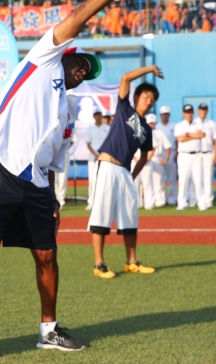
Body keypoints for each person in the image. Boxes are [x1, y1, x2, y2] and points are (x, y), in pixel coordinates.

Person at [0, 0, 152, 363]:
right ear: (66, 53)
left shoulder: (66, 108)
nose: (81, 71)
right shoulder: (42, 58)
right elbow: (78, 17)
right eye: (80, 63)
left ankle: (49, 330)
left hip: (37, 182)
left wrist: (55, 197)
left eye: (87, 72)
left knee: (47, 254)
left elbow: (54, 157)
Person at [87, 65, 161, 279]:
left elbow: (146, 155)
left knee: (130, 217)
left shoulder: (147, 129)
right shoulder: (124, 109)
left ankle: (131, 262)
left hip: (124, 172)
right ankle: (99, 264)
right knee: (101, 214)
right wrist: (150, 69)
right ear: (137, 97)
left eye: (152, 99)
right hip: (107, 165)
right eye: (146, 96)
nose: (149, 101)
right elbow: (126, 77)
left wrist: (132, 175)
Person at [175, 104, 207, 211]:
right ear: (183, 113)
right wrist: (193, 135)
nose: (189, 114)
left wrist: (188, 134)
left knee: (198, 180)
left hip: (197, 154)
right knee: (183, 180)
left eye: (190, 112)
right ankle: (182, 203)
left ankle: (201, 202)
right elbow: (180, 138)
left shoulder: (198, 124)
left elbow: (201, 135)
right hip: (184, 155)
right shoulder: (179, 125)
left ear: (193, 113)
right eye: (187, 112)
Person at [194, 103, 216, 208]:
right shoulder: (193, 123)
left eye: (205, 109)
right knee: (197, 178)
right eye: (201, 109)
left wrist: (215, 154)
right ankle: (198, 199)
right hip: (197, 153)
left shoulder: (212, 124)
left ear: (207, 111)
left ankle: (209, 200)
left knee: (208, 177)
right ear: (198, 110)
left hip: (208, 152)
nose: (203, 111)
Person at [84, 108, 110, 210]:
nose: (98, 116)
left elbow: (109, 143)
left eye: (99, 114)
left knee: (105, 180)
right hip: (93, 158)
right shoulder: (89, 129)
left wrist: (102, 155)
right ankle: (91, 202)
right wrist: (96, 155)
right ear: (93, 116)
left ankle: (105, 201)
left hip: (105, 157)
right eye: (96, 115)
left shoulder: (108, 128)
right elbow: (88, 144)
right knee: (92, 180)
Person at [146, 113, 172, 208]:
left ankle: (160, 201)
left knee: (158, 181)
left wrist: (166, 158)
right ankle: (148, 201)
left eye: (153, 123)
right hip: (146, 159)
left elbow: (168, 146)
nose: (151, 125)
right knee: (147, 182)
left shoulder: (160, 133)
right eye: (149, 123)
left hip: (157, 158)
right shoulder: (143, 132)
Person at [157, 106, 177, 205]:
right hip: (159, 153)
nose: (165, 116)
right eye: (163, 114)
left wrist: (176, 153)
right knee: (158, 178)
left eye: (167, 114)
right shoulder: (157, 126)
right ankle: (160, 198)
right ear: (160, 115)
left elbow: (177, 141)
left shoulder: (174, 126)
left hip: (172, 152)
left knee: (172, 177)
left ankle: (172, 197)